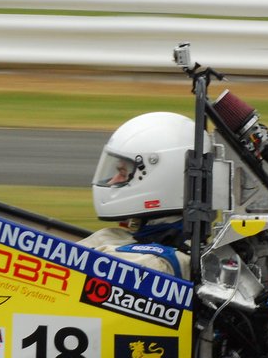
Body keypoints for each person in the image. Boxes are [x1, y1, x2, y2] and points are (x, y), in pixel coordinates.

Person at [80, 111, 203, 279]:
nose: (112, 181)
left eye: (122, 173)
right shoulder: (112, 238)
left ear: (159, 178)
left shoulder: (154, 265)